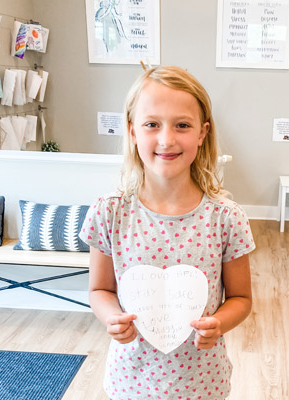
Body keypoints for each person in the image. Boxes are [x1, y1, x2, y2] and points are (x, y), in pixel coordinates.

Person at [80, 65, 255, 400]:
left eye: (182, 125)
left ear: (202, 133)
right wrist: (112, 317)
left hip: (203, 383)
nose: (167, 139)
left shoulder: (226, 218)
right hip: (130, 382)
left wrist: (219, 323)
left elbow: (241, 298)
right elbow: (99, 289)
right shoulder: (110, 212)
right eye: (152, 124)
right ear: (132, 131)